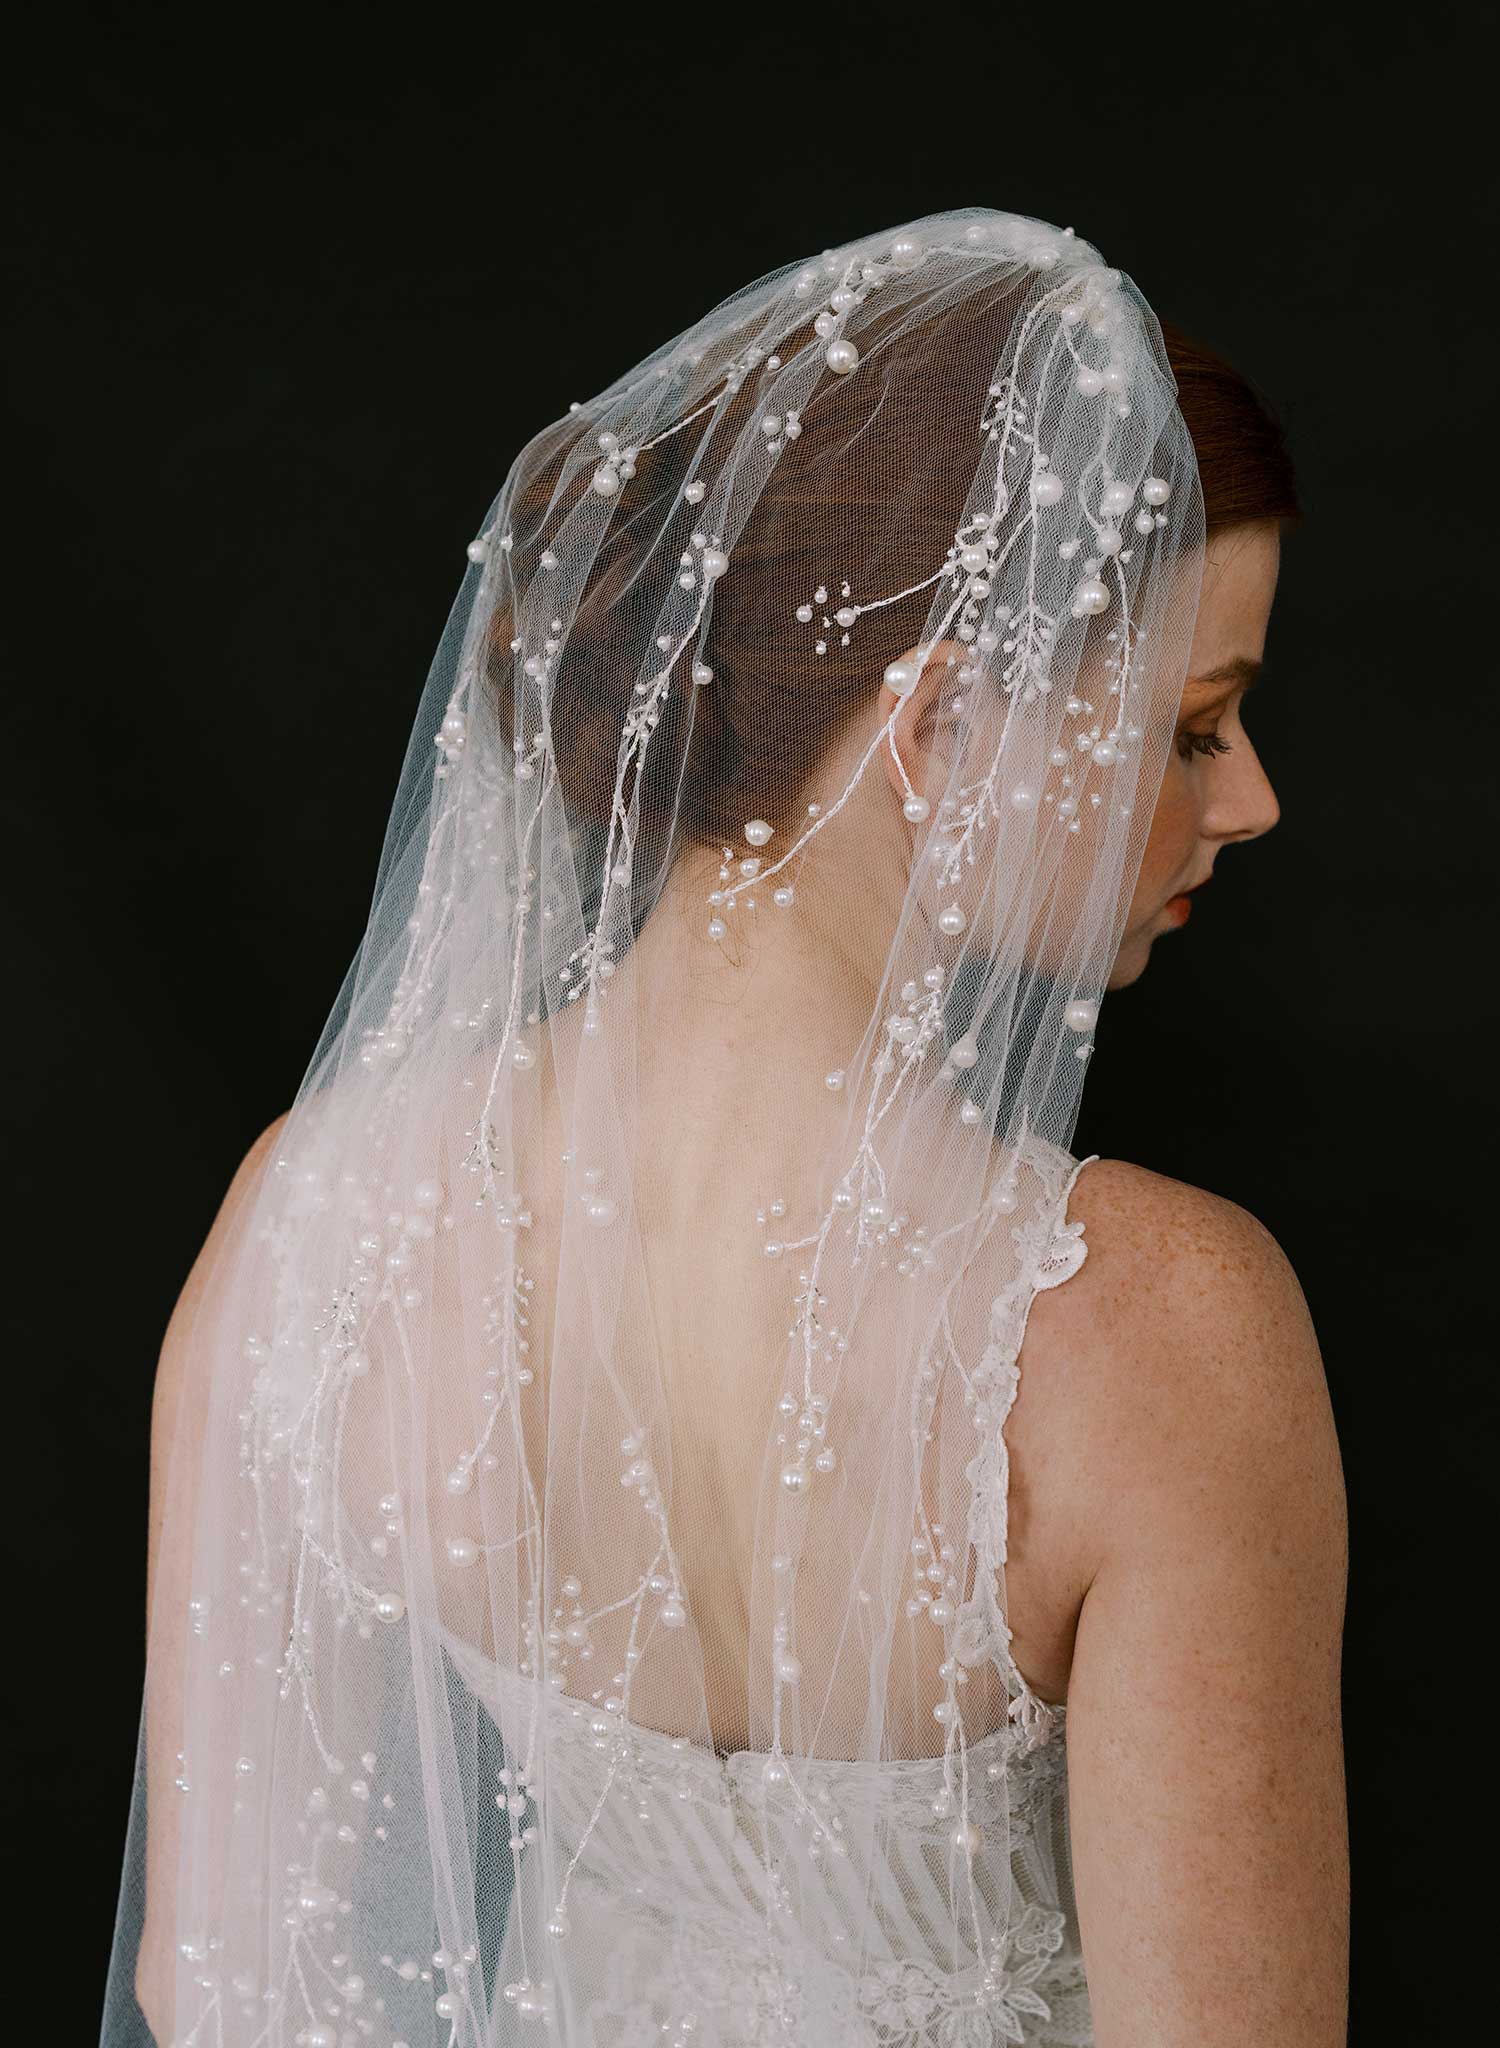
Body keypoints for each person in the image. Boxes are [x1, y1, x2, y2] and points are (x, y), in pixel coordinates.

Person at [102, 208, 1348, 2047]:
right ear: (934, 730)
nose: (1252, 800)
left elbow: (215, 1989)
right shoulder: (1158, 1330)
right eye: (1192, 729)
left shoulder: (325, 1220)